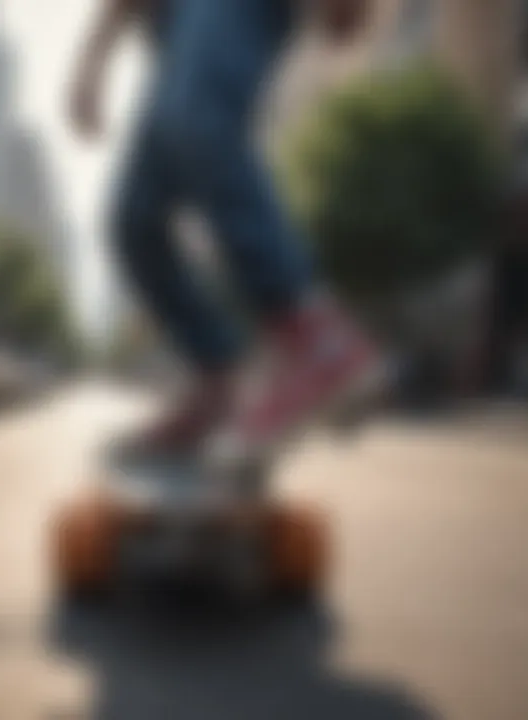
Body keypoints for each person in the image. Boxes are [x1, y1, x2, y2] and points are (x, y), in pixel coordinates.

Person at [70, 0, 386, 466]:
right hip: (173, 32)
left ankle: (318, 341)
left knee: (200, 120)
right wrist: (93, 60)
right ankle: (217, 379)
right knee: (134, 222)